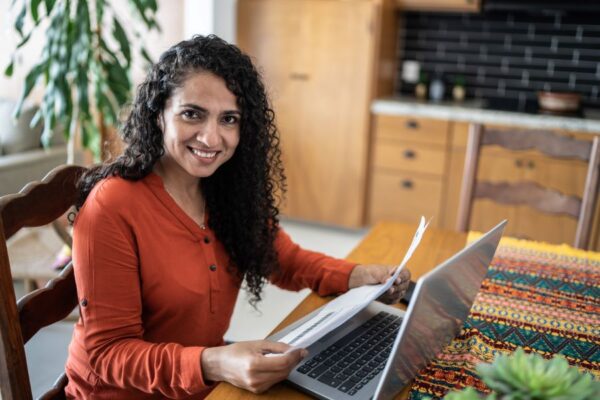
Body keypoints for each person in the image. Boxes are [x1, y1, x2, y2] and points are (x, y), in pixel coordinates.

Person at [64, 35, 411, 399]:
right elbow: (108, 353)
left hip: (203, 382)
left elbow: (283, 259)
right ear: (158, 113)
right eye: (192, 113)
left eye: (228, 119)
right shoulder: (112, 206)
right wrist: (214, 362)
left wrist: (356, 275)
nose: (211, 137)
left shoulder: (223, 189)